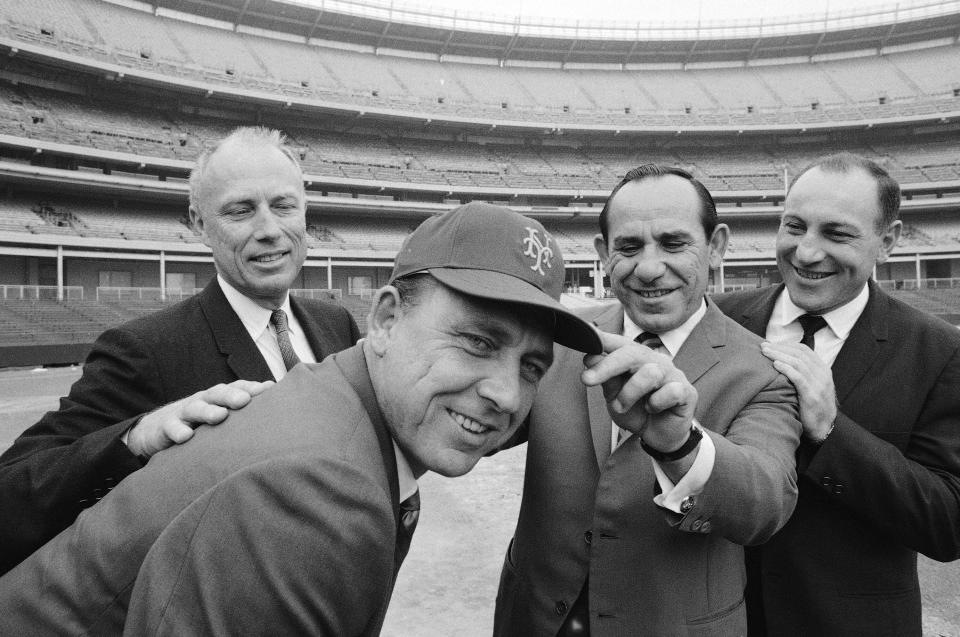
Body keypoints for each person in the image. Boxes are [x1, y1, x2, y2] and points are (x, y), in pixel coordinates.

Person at [0, 202, 601, 636]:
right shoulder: (320, 494)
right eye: (476, 342)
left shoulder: (339, 399)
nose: (503, 392)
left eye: (531, 367)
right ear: (386, 319)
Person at [0, 127, 359, 574]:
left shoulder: (336, 323)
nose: (269, 230)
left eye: (283, 205)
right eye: (240, 210)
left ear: (305, 213)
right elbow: (11, 494)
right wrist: (136, 438)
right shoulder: (144, 350)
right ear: (198, 223)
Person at [493, 164, 803, 636]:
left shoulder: (761, 371)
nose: (650, 267)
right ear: (603, 254)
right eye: (629, 247)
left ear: (716, 246)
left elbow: (764, 508)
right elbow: (488, 420)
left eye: (674, 243)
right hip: (534, 620)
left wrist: (682, 444)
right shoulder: (560, 338)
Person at [713, 153, 960, 637]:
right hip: (720, 621)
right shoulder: (719, 320)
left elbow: (947, 523)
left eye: (836, 233)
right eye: (794, 226)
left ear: (887, 241)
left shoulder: (939, 351)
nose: (806, 252)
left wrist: (832, 433)